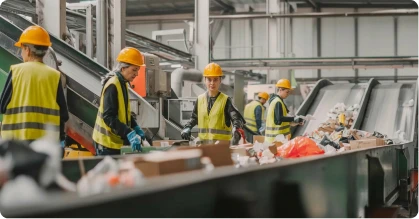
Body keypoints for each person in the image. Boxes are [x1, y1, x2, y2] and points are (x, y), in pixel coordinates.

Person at [0, 25, 69, 146]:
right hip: (45, 145)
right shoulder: (54, 76)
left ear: (27, 50)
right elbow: (63, 115)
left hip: (16, 144)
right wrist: (61, 138)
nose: (21, 53)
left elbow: (2, 107)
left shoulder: (16, 71)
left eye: (21, 49)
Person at [92, 47, 146, 155]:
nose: (136, 74)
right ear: (123, 68)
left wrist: (135, 126)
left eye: (137, 70)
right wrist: (129, 133)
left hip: (115, 143)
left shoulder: (123, 83)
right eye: (134, 70)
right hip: (106, 144)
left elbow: (123, 112)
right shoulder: (113, 85)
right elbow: (108, 117)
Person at [181, 63, 245, 145]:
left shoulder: (226, 100)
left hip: (221, 149)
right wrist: (188, 127)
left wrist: (236, 129)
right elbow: (194, 117)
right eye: (209, 79)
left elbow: (236, 118)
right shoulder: (200, 99)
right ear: (205, 80)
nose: (212, 83)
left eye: (215, 79)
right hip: (203, 148)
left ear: (220, 80)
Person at [265, 79, 304, 143]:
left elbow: (280, 119)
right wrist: (294, 119)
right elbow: (279, 118)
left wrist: (294, 122)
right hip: (276, 139)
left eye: (289, 92)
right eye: (287, 92)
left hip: (276, 139)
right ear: (280, 90)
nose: (288, 94)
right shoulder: (277, 102)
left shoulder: (277, 101)